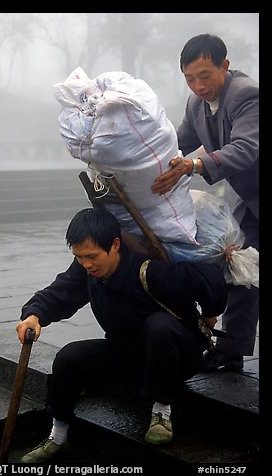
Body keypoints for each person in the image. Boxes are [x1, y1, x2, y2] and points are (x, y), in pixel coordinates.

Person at [16, 207, 227, 463]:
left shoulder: (150, 270)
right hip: (129, 352)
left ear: (115, 245)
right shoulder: (86, 268)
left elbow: (211, 280)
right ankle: (58, 437)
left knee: (159, 325)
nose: (86, 264)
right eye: (79, 257)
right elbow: (60, 292)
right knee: (69, 357)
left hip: (176, 355)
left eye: (92, 256)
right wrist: (34, 315)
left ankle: (161, 413)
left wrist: (211, 313)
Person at [151, 34, 259, 372]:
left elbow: (246, 148)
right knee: (239, 268)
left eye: (205, 76)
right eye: (189, 78)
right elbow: (177, 143)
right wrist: (139, 161)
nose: (198, 85)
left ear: (224, 66)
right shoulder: (195, 105)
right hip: (249, 198)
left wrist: (195, 166)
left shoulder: (246, 95)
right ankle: (233, 350)